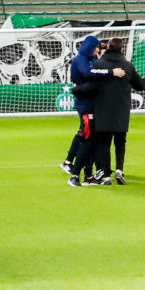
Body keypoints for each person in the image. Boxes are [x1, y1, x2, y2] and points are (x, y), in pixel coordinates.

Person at [74, 36, 145, 185]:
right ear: (122, 49)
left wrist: (77, 90)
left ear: (108, 47)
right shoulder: (127, 66)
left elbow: (91, 85)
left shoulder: (99, 63)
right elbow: (140, 85)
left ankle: (106, 175)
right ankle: (119, 170)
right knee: (121, 142)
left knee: (104, 143)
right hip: (121, 110)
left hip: (102, 109)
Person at [61, 34, 104, 182]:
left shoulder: (89, 60)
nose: (97, 50)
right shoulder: (80, 61)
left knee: (84, 134)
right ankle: (81, 174)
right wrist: (108, 73)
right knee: (87, 138)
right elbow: (88, 75)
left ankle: (79, 168)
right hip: (86, 105)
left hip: (90, 104)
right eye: (96, 47)